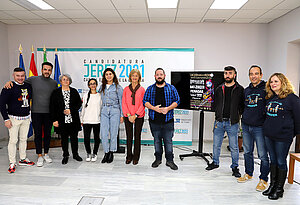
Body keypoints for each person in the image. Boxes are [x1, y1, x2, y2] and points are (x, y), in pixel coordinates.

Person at [4, 62, 57, 167]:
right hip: (36, 113)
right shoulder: (33, 80)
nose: (47, 71)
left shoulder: (54, 83)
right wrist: (9, 82)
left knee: (47, 135)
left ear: (51, 71)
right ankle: (39, 156)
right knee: (37, 135)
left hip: (49, 113)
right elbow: (19, 82)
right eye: (45, 69)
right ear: (41, 70)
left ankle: (46, 153)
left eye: (49, 70)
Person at [262, 73, 300, 200]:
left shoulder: (292, 99)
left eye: (276, 81)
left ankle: (279, 189)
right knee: (273, 160)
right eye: (271, 82)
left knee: (280, 161)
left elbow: (298, 119)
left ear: (283, 82)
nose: (273, 84)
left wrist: (291, 134)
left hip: (283, 137)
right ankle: (272, 186)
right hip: (269, 135)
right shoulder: (271, 98)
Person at [206, 66, 244, 178]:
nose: (227, 75)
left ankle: (235, 167)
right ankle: (215, 163)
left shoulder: (240, 89)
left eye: (230, 73)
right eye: (226, 73)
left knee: (234, 147)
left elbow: (242, 106)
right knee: (216, 145)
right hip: (219, 122)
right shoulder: (219, 88)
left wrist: (237, 115)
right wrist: (217, 116)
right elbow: (216, 104)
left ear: (234, 75)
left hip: (233, 123)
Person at [237, 65, 270, 192]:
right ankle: (249, 173)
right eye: (251, 74)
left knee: (262, 155)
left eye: (256, 73)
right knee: (247, 152)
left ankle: (263, 179)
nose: (253, 76)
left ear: (261, 75)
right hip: (246, 126)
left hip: (260, 127)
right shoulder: (246, 90)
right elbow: (242, 106)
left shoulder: (267, 89)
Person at [143, 68, 180, 170]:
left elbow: (177, 101)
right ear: (155, 76)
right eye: (157, 74)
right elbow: (145, 101)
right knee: (157, 141)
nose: (159, 76)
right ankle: (158, 159)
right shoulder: (150, 89)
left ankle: (170, 161)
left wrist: (168, 108)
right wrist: (154, 108)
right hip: (154, 121)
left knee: (168, 141)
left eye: (161, 74)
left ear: (164, 76)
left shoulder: (171, 88)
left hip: (168, 120)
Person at [0, 68, 35, 173]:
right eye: (18, 76)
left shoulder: (28, 86)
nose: (20, 78)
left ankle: (23, 159)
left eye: (22, 75)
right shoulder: (8, 87)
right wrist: (6, 119)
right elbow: (1, 104)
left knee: (24, 139)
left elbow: (30, 99)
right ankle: (12, 162)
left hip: (26, 118)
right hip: (13, 118)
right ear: (13, 76)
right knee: (13, 140)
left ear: (25, 76)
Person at [50, 74, 83, 165]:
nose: (65, 81)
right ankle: (65, 155)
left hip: (73, 119)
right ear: (60, 81)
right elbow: (52, 107)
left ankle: (75, 154)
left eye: (67, 79)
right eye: (63, 79)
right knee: (64, 139)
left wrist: (71, 110)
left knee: (74, 138)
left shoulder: (74, 91)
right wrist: (54, 120)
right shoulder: (56, 92)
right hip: (61, 120)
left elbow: (79, 104)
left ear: (70, 81)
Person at [99, 68, 123, 163]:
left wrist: (122, 115)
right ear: (104, 76)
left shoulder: (118, 87)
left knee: (113, 132)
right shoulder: (101, 87)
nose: (108, 76)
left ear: (113, 75)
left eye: (110, 74)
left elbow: (121, 102)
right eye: (106, 74)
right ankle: (106, 152)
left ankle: (112, 152)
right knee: (104, 133)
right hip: (104, 110)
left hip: (115, 110)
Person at [122, 69, 145, 165]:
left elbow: (143, 103)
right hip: (128, 116)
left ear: (139, 77)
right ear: (130, 77)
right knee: (129, 137)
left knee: (137, 136)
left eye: (136, 76)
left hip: (138, 116)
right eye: (133, 75)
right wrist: (128, 115)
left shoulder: (142, 89)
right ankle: (129, 156)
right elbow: (124, 103)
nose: (134, 77)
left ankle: (136, 157)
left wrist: (135, 115)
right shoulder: (126, 89)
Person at [80, 78, 102, 162]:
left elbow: (101, 108)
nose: (92, 85)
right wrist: (81, 119)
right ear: (88, 86)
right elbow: (83, 109)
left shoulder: (100, 96)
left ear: (96, 85)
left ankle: (95, 153)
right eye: (91, 84)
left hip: (97, 120)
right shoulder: (85, 95)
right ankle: (88, 153)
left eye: (94, 83)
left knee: (97, 138)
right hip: (86, 120)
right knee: (86, 138)